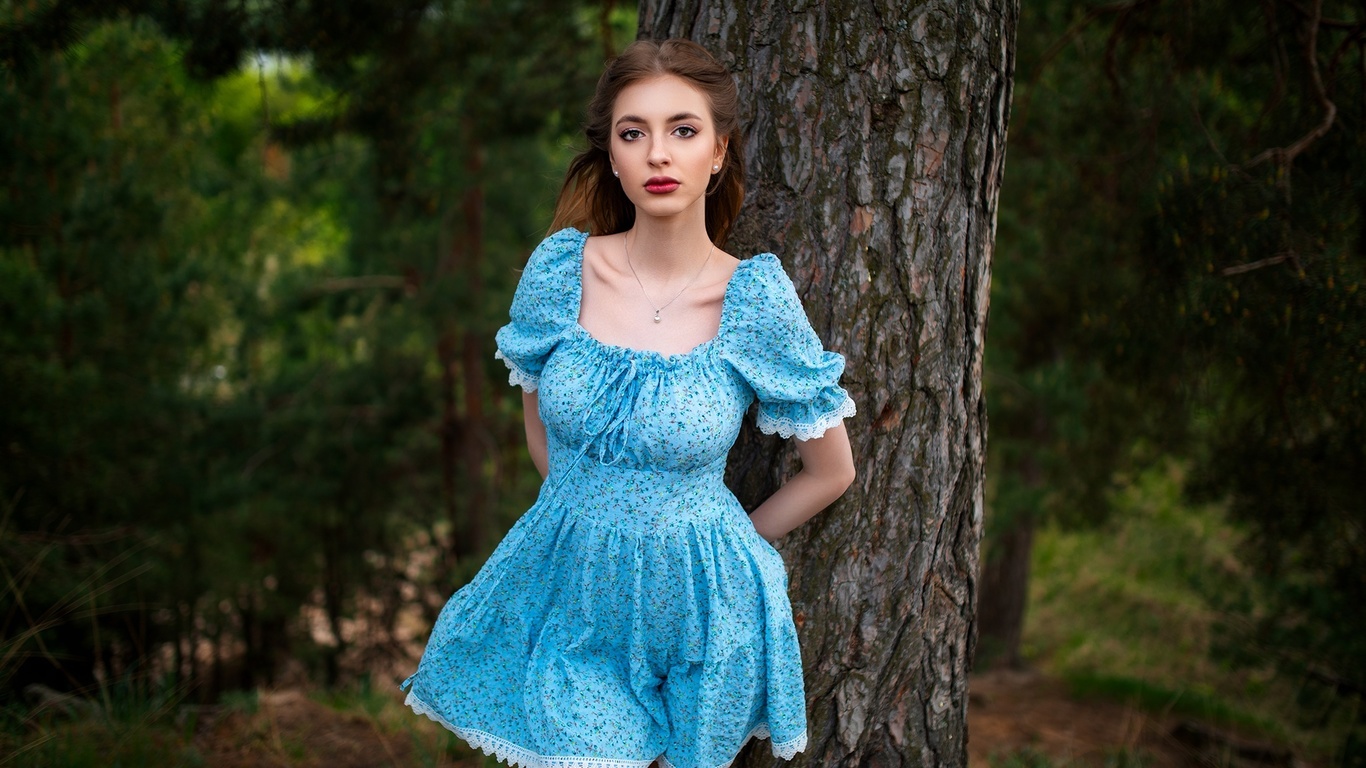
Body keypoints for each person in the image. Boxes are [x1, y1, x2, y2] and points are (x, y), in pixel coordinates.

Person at [401, 39, 857, 768]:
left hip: (706, 615)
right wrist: (595, 532)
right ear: (612, 156)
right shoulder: (561, 272)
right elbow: (542, 436)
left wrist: (725, 549)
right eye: (632, 133)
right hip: (573, 607)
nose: (657, 154)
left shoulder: (754, 299)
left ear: (719, 151)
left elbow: (830, 470)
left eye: (683, 130)